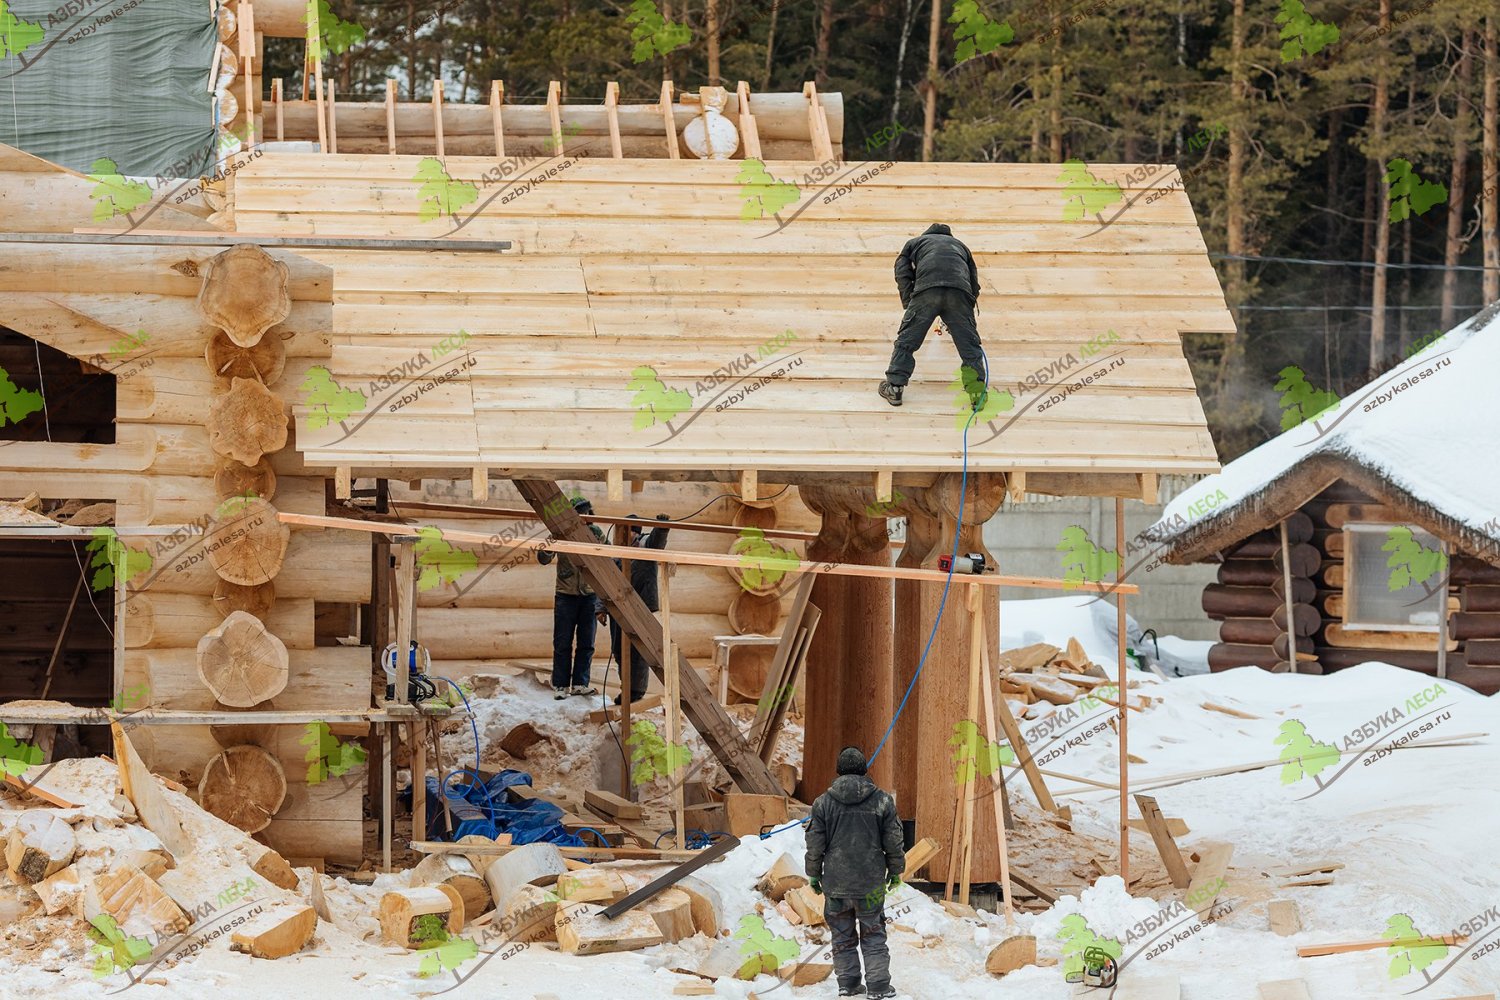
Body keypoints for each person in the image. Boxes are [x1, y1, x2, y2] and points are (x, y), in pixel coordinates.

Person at [805, 747, 904, 999]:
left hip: (836, 884)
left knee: (841, 935)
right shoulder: (882, 800)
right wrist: (895, 870)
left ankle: (848, 984)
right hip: (870, 883)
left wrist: (814, 874)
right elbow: (893, 840)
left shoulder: (822, 803)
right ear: (864, 770)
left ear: (838, 771)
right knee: (873, 934)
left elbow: (815, 843)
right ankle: (879, 987)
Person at [879, 222, 986, 409]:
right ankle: (977, 393)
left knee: (907, 341)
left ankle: (894, 387)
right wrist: (961, 316)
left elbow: (902, 272)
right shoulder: (961, 246)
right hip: (959, 293)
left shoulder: (915, 243)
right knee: (969, 346)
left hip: (926, 291)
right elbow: (973, 282)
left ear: (927, 234)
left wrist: (909, 302)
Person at [537, 496, 609, 700]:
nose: (583, 517)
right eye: (579, 512)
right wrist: (552, 540)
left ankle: (579, 684)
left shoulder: (595, 533)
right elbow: (543, 558)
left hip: (589, 595)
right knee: (562, 643)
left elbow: (609, 556)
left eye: (586, 512)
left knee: (587, 643)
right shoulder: (560, 533)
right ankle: (560, 685)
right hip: (565, 595)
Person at [609, 513, 673, 704]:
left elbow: (658, 540)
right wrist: (600, 608)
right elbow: (607, 581)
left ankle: (636, 692)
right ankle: (626, 688)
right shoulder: (617, 554)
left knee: (638, 651)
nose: (618, 535)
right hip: (620, 608)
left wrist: (662, 526)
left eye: (622, 530)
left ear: (631, 531)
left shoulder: (646, 544)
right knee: (619, 650)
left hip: (640, 606)